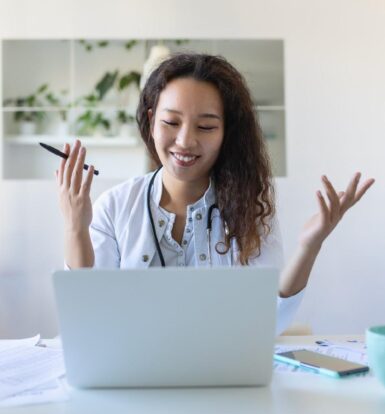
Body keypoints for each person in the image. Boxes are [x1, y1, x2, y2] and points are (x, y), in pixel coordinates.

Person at [56, 53, 375, 334]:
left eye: (206, 127)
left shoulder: (250, 209)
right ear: (152, 120)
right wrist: (76, 228)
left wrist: (309, 246)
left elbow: (269, 323)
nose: (184, 141)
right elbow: (88, 319)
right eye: (171, 121)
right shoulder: (115, 206)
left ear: (227, 133)